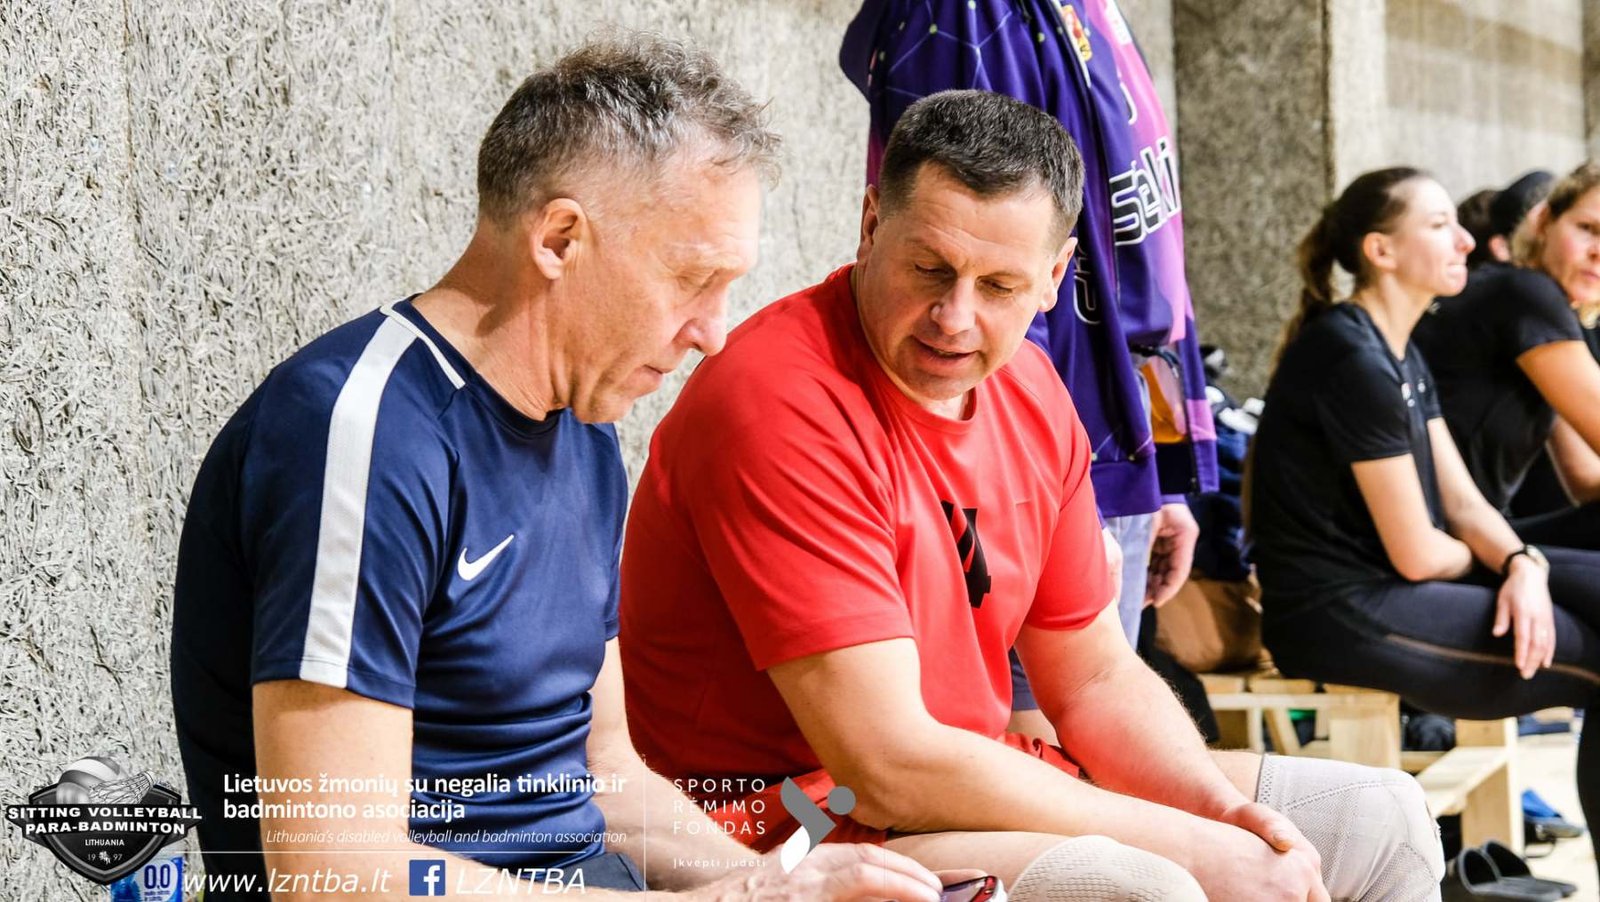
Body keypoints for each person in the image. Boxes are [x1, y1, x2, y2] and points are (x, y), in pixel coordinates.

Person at [169, 35, 950, 902]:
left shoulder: (584, 431)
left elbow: (605, 772)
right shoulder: (360, 432)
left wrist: (772, 882)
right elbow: (332, 869)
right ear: (560, 238)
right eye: (693, 279)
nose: (713, 332)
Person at [621, 90, 1443, 902]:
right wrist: (1195, 847)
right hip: (792, 822)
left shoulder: (1033, 389)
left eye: (999, 286)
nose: (955, 316)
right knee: (1142, 886)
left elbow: (1092, 679)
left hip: (961, 780)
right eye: (929, 269)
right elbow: (886, 764)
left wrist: (1217, 810)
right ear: (871, 226)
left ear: (1053, 277)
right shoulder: (778, 399)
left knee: (1383, 816)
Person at [1247, 166, 1600, 884]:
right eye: (1440, 225)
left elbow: (1465, 505)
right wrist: (1507, 567)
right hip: (1338, 610)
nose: (1467, 240)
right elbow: (1416, 552)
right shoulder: (1348, 353)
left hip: (1395, 586)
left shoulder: (1400, 349)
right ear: (1381, 250)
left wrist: (1522, 563)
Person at [1411, 163, 1600, 544]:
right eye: (1588, 229)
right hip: (1441, 540)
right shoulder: (1528, 295)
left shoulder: (1529, 301)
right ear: (1543, 221)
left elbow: (1584, 480)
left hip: (1473, 531)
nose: (1598, 252)